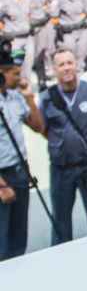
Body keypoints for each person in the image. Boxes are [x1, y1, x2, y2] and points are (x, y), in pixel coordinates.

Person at [39, 48, 87, 245]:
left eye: (69, 63)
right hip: (61, 168)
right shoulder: (47, 98)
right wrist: (63, 144)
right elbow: (43, 129)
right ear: (54, 69)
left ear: (77, 64)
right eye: (61, 64)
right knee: (60, 220)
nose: (66, 68)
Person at [0, 48, 44, 260]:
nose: (20, 78)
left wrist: (29, 99)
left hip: (20, 171)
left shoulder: (16, 98)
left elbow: (38, 126)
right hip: (2, 177)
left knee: (19, 235)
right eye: (15, 74)